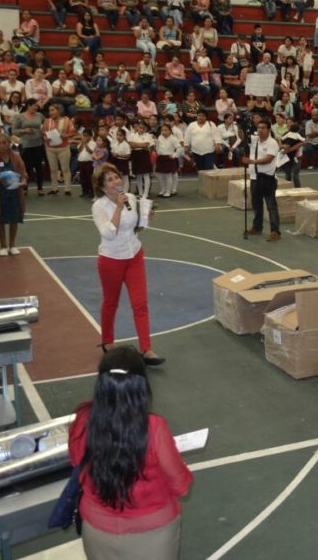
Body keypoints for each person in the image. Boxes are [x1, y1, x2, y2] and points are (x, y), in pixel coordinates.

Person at [68, 347, 191, 560]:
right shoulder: (155, 428)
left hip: (97, 528)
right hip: (152, 533)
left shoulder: (82, 422)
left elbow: (76, 462)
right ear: (141, 387)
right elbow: (181, 485)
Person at [92, 164, 164, 364]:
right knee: (110, 302)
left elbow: (134, 229)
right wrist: (118, 207)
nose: (116, 181)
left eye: (117, 177)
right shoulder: (99, 206)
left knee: (140, 304)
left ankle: (147, 349)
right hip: (111, 260)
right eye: (110, 179)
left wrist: (146, 219)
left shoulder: (131, 198)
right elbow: (108, 233)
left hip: (134, 256)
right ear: (103, 186)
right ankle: (107, 340)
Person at [0, 132, 27, 256]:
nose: (1, 145)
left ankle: (12, 245)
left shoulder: (16, 156)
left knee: (14, 218)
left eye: (4, 142)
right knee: (0, 219)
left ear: (9, 143)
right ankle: (3, 246)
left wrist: (22, 181)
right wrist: (1, 179)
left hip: (14, 192)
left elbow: (23, 173)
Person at [241, 119, 281, 241]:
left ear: (269, 130)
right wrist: (240, 125)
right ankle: (257, 228)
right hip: (255, 178)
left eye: (263, 128)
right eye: (259, 128)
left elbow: (268, 159)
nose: (260, 130)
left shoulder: (272, 143)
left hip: (268, 178)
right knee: (256, 205)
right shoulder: (254, 140)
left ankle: (275, 231)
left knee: (271, 206)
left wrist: (251, 161)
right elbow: (242, 136)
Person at [12, 99, 48, 195]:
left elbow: (47, 126)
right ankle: (25, 187)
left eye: (37, 106)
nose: (36, 107)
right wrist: (24, 131)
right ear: (28, 105)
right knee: (26, 167)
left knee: (39, 167)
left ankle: (40, 188)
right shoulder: (19, 117)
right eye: (34, 106)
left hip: (38, 144)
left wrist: (43, 132)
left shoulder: (40, 116)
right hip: (25, 145)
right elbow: (14, 131)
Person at [43, 104, 76, 197]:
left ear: (59, 111)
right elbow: (43, 133)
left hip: (63, 148)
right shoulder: (46, 121)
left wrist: (66, 136)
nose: (50, 112)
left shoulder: (67, 121)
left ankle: (67, 189)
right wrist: (45, 138)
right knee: (53, 169)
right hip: (50, 148)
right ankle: (54, 188)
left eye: (52, 110)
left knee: (65, 169)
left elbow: (73, 132)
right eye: (49, 111)